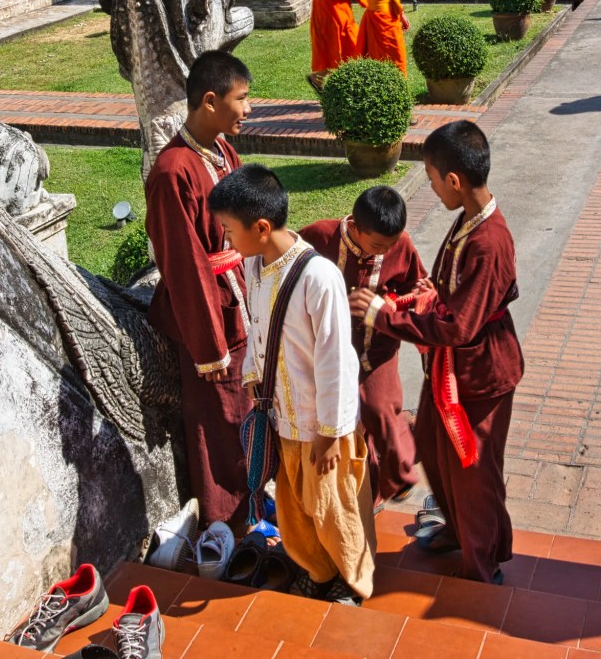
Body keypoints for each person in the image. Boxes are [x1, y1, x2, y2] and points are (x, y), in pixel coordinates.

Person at [349, 121, 524, 585]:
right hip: (451, 367)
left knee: (474, 468)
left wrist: (384, 315)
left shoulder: (490, 240)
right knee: (429, 441)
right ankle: (463, 531)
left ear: (453, 180)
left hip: (481, 372)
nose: (428, 186)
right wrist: (435, 290)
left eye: (429, 177)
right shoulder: (470, 218)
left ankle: (482, 563)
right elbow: (459, 294)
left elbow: (461, 326)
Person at [210, 164, 376, 605]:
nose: (226, 240)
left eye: (229, 230)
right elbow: (258, 330)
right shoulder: (253, 266)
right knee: (297, 510)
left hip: (321, 426)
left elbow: (337, 360)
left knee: (333, 507)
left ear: (261, 227)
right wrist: (251, 375)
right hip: (283, 416)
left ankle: (352, 580)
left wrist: (332, 432)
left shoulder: (318, 277)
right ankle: (318, 571)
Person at [145, 50, 253, 527]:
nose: (248, 109)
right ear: (210, 101)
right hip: (212, 318)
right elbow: (185, 267)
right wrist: (209, 347)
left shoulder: (222, 151)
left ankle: (252, 504)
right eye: (242, 99)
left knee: (248, 411)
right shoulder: (173, 171)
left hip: (240, 298)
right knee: (220, 419)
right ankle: (225, 527)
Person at [300, 187, 426, 506]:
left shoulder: (402, 244)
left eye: (391, 245)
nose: (384, 252)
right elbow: (291, 280)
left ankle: (394, 476)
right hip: (329, 351)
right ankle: (364, 486)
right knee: (343, 416)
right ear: (355, 227)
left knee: (378, 408)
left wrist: (385, 306)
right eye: (377, 246)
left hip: (379, 347)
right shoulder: (317, 236)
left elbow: (416, 292)